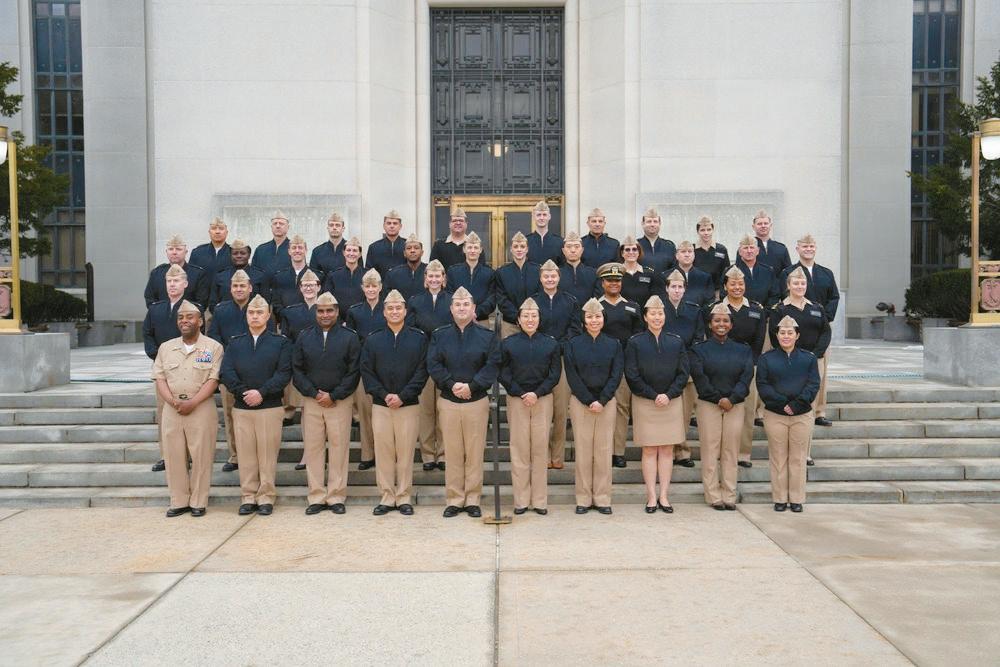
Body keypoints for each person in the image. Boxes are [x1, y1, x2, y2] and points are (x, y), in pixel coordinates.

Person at [428, 286, 501, 518]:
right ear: (451, 309)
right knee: (452, 452)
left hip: (476, 401)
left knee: (474, 452)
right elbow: (434, 364)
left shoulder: (487, 336)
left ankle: (472, 499)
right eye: (457, 304)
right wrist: (451, 385)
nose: (462, 308)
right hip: (449, 401)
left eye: (466, 304)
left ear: (474, 309)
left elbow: (492, 365)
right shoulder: (439, 335)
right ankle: (454, 499)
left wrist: (473, 386)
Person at [219, 294, 292, 516]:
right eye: (251, 312)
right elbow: (227, 372)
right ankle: (248, 496)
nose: (255, 316)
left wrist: (262, 392)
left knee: (267, 456)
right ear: (246, 316)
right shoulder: (235, 343)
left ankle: (266, 496)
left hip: (269, 407)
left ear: (268, 316)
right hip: (242, 407)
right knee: (246, 455)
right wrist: (243, 392)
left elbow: (284, 373)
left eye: (260, 312)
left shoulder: (280, 343)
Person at [152, 300, 223, 518]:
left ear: (200, 321)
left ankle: (198, 501)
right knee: (173, 456)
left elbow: (213, 379)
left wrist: (193, 402)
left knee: (201, 456)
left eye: (190, 317)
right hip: (172, 408)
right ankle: (178, 501)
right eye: (181, 318)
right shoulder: (166, 348)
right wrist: (172, 401)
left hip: (201, 407)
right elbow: (159, 378)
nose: (185, 321)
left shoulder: (213, 347)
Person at [361, 289, 429, 516]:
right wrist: (383, 395)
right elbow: (367, 371)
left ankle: (404, 496)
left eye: (398, 308)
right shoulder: (373, 339)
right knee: (384, 452)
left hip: (408, 404)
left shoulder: (419, 338)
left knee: (406, 453)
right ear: (384, 312)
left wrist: (403, 396)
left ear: (405, 311)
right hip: (381, 405)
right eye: (390, 308)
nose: (394, 312)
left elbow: (422, 372)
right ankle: (387, 496)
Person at [292, 292, 361, 515]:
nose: (325, 315)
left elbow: (354, 371)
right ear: (316, 313)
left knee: (339, 449)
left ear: (337, 312)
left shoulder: (350, 337)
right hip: (312, 401)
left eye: (329, 310)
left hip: (339, 401)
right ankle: (316, 496)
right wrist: (314, 393)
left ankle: (336, 496)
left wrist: (334, 395)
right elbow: (297, 369)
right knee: (313, 449)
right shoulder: (304, 337)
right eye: (321, 311)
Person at [625, 295, 689, 514]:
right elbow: (632, 374)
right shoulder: (635, 342)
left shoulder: (676, 341)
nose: (657, 317)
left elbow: (683, 373)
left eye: (660, 313)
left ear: (665, 316)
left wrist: (668, 395)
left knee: (667, 450)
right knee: (650, 450)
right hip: (646, 402)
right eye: (652, 313)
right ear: (645, 317)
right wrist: (653, 395)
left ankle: (664, 496)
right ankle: (651, 496)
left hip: (670, 402)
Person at [208, 269, 275, 473]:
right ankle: (236, 455)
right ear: (230, 288)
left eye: (242, 286)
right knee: (231, 415)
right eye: (235, 286)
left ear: (250, 287)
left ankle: (261, 456)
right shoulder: (221, 310)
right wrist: (231, 357)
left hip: (260, 372)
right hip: (230, 373)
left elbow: (271, 338)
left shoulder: (260, 308)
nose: (239, 289)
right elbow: (214, 337)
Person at [689, 303, 754, 510]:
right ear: (710, 324)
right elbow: (700, 378)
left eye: (725, 321)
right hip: (709, 404)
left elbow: (746, 377)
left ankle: (729, 494)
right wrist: (719, 399)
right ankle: (713, 495)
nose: (721, 324)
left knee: (731, 450)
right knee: (710, 450)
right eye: (717, 320)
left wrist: (732, 399)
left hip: (735, 405)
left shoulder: (743, 349)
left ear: (731, 325)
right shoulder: (699, 350)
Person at [499, 297, 561, 515]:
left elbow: (554, 374)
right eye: (525, 316)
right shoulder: (508, 343)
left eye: (534, 316)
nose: (530, 319)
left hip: (542, 400)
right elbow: (503, 372)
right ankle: (521, 501)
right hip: (518, 400)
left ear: (539, 319)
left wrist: (537, 393)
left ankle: (540, 501)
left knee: (540, 449)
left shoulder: (551, 343)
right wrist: (520, 392)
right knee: (519, 450)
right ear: (518, 319)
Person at [564, 298, 624, 515]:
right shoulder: (572, 344)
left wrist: (603, 399)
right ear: (583, 320)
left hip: (606, 403)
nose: (594, 320)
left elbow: (616, 374)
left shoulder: (614, 344)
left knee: (604, 451)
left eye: (598, 316)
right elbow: (572, 376)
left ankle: (602, 498)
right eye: (589, 317)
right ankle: (583, 498)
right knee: (583, 451)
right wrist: (589, 400)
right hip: (581, 402)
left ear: (603, 319)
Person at [756, 315, 820, 512]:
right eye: (782, 332)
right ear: (777, 335)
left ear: (797, 335)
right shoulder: (766, 359)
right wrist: (782, 404)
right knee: (778, 457)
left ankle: (797, 499)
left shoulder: (809, 358)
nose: (786, 336)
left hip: (801, 415)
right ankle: (780, 498)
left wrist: (796, 405)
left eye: (790, 333)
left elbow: (813, 384)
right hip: (775, 415)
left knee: (798, 458)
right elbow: (763, 385)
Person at [769, 267, 831, 465]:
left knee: (808, 407)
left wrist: (815, 354)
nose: (799, 286)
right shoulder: (780, 309)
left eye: (803, 283)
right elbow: (774, 335)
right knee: (787, 403)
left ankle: (805, 453)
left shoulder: (817, 308)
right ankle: (786, 452)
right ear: (788, 285)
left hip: (813, 361)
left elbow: (825, 332)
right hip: (787, 362)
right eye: (795, 283)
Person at [708, 266, 768, 468]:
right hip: (718, 367)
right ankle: (719, 453)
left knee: (747, 411)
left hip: (747, 367)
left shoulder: (756, 310)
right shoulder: (715, 309)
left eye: (740, 284)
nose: (737, 287)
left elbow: (758, 342)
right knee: (718, 411)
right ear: (725, 286)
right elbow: (710, 338)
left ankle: (743, 453)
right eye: (732, 284)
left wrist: (750, 365)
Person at [779, 234, 839, 428]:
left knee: (820, 373)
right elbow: (782, 297)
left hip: (819, 329)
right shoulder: (788, 272)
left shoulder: (826, 273)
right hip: (792, 329)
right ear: (797, 249)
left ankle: (819, 411)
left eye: (811, 246)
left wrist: (824, 317)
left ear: (815, 248)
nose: (808, 249)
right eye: (805, 246)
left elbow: (834, 297)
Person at [143, 263, 193, 473]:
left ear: (185, 284)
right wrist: (158, 357)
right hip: (163, 370)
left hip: (188, 369)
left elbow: (196, 338)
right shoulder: (155, 309)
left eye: (176, 281)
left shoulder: (193, 309)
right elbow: (147, 334)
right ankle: (166, 455)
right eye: (169, 281)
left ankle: (188, 455)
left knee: (187, 413)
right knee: (164, 413)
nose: (172, 285)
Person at [531, 259, 580, 470]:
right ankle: (541, 455)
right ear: (541, 278)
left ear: (559, 278)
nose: (549, 279)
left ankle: (557, 455)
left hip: (561, 358)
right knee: (542, 412)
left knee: (560, 411)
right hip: (539, 360)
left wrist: (558, 345)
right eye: (546, 276)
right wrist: (545, 346)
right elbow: (529, 325)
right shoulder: (533, 301)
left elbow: (575, 328)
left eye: (553, 276)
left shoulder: (570, 301)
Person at [407, 259, 452, 471]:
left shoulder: (452, 300)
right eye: (430, 276)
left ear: (443, 279)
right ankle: (427, 455)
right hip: (423, 360)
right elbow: (411, 330)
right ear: (425, 279)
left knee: (444, 409)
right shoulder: (415, 301)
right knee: (425, 410)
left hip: (446, 362)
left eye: (437, 276)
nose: (434, 279)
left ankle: (443, 454)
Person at [596, 263, 643, 469]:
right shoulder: (594, 307)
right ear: (602, 283)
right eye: (609, 281)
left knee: (622, 408)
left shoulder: (632, 307)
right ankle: (601, 450)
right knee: (601, 407)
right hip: (600, 366)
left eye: (617, 281)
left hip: (623, 365)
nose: (614, 284)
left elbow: (638, 338)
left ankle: (618, 452)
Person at [662, 269, 705, 467]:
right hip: (664, 366)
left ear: (685, 289)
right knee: (668, 413)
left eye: (680, 287)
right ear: (667, 288)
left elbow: (698, 337)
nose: (677, 290)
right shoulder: (659, 308)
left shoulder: (693, 310)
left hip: (687, 366)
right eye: (673, 286)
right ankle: (667, 451)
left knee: (685, 413)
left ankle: (682, 451)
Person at [345, 268, 385, 471]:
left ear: (380, 287)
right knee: (365, 412)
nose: (371, 289)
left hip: (385, 366)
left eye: (374, 286)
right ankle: (368, 454)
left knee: (384, 413)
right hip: (363, 367)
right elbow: (351, 341)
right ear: (362, 288)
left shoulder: (388, 308)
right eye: (367, 286)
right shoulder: (354, 311)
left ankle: (385, 454)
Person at [495, 231, 541, 339]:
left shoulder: (538, 270)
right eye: (516, 246)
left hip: (533, 323)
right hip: (510, 324)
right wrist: (518, 317)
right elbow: (501, 299)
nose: (519, 249)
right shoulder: (502, 272)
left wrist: (528, 317)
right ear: (511, 249)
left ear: (527, 249)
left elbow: (540, 295)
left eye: (522, 246)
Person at [144, 235, 209, 307]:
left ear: (185, 252)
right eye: (171, 249)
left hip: (189, 313)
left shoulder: (198, 274)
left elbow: (202, 302)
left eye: (178, 249)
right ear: (166, 252)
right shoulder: (157, 273)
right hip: (161, 313)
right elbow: (150, 299)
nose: (174, 252)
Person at [446, 231, 495, 327]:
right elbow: (449, 295)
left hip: (481, 321)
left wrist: (475, 313)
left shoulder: (489, 273)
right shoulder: (453, 271)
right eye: (469, 247)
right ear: (464, 249)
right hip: (457, 320)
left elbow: (491, 299)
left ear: (480, 250)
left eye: (475, 248)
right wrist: (463, 313)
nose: (472, 251)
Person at [209, 239, 266, 311]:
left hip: (252, 316)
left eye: (243, 253)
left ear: (249, 255)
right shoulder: (220, 276)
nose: (239, 256)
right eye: (235, 253)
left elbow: (265, 302)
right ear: (230, 255)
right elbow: (213, 304)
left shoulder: (260, 275)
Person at [266, 235, 313, 317]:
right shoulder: (279, 277)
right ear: (289, 251)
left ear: (306, 250)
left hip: (310, 320)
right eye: (294, 248)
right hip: (285, 321)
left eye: (300, 248)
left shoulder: (316, 275)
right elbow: (276, 303)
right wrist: (287, 315)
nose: (297, 250)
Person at [731, 234, 779, 309]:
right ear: (740, 251)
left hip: (764, 313)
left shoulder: (768, 271)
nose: (749, 251)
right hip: (738, 312)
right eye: (745, 248)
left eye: (752, 247)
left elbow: (774, 295)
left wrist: (765, 311)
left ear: (757, 251)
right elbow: (724, 295)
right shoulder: (730, 272)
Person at [668, 241, 715, 308]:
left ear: (694, 255)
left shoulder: (705, 277)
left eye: (690, 251)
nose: (687, 255)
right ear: (677, 256)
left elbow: (709, 302)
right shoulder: (666, 276)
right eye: (683, 252)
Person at [322, 237, 366, 310]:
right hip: (338, 316)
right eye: (348, 250)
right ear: (343, 253)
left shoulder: (366, 275)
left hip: (362, 316)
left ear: (360, 254)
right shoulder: (333, 276)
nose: (351, 253)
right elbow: (328, 300)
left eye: (355, 251)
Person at [619, 235, 662, 307]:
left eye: (634, 249)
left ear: (639, 252)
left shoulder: (649, 273)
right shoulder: (617, 273)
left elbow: (656, 295)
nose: (631, 252)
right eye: (627, 250)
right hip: (622, 312)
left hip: (644, 312)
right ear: (622, 253)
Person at [559, 231, 601, 304]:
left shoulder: (593, 273)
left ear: (582, 250)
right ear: (563, 251)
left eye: (577, 247)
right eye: (568, 247)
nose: (573, 250)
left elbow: (597, 297)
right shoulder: (557, 274)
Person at [384, 234, 427, 301]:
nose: (412, 251)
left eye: (416, 248)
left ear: (422, 252)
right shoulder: (393, 274)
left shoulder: (430, 273)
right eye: (409, 248)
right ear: (404, 253)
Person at [365, 209, 407, 276]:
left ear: (400, 226)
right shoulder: (374, 247)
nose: (392, 226)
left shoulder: (408, 246)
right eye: (389, 223)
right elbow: (369, 273)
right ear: (384, 226)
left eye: (395, 223)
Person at [693, 216, 730, 291]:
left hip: (717, 292)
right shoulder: (691, 250)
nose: (706, 233)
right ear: (697, 232)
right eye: (702, 230)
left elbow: (727, 272)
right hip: (696, 291)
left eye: (709, 229)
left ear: (713, 230)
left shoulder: (721, 249)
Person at [752, 209, 792, 277]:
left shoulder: (781, 249)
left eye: (766, 223)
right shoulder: (746, 249)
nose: (763, 226)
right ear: (753, 227)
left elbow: (789, 274)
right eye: (759, 224)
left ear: (770, 225)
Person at [637, 207, 676, 275]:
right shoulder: (635, 246)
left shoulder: (669, 246)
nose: (652, 224)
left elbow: (674, 270)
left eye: (655, 221)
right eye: (649, 221)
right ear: (643, 223)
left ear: (660, 223)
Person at [526, 199, 563, 265]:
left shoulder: (560, 242)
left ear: (549, 217)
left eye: (544, 215)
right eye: (538, 215)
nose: (541, 218)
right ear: (533, 217)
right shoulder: (526, 241)